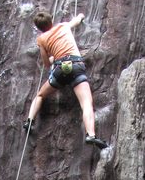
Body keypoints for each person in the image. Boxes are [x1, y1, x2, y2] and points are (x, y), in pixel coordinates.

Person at [23, 10, 108, 150]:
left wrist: (53, 57)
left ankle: (30, 120)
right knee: (86, 102)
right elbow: (76, 20)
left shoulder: (41, 40)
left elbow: (46, 63)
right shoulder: (63, 26)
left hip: (60, 69)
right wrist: (81, 16)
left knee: (40, 95)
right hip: (75, 66)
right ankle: (91, 135)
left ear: (39, 28)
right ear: (51, 21)